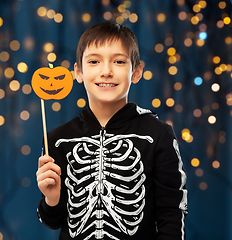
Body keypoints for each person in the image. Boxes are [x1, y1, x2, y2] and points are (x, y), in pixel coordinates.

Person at [36, 21, 188, 240]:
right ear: (78, 72)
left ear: (136, 73)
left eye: (118, 61)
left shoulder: (157, 135)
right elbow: (53, 221)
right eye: (94, 61)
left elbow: (172, 215)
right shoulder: (57, 139)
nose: (106, 71)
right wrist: (52, 198)